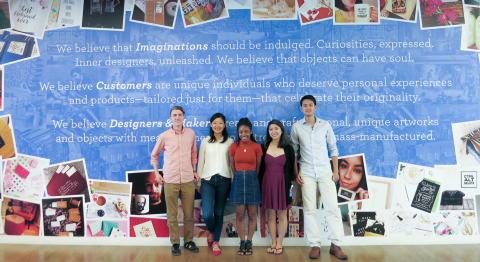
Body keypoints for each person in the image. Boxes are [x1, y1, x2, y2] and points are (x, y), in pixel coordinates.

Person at [290, 95, 348, 260]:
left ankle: (335, 245)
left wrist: (335, 171)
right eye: (304, 106)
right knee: (310, 210)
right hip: (306, 173)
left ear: (315, 107)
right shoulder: (296, 127)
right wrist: (296, 173)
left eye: (310, 105)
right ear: (301, 109)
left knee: (332, 209)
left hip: (325, 173)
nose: (307, 108)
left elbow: (333, 149)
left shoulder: (325, 125)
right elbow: (294, 152)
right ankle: (314, 245)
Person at [151, 106, 200, 256]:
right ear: (170, 118)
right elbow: (154, 155)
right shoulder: (164, 136)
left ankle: (189, 241)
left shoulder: (191, 133)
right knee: (172, 214)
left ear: (184, 117)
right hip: (170, 180)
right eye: (174, 115)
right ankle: (175, 243)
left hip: (187, 179)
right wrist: (157, 173)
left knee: (189, 214)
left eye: (179, 115)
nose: (177, 117)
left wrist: (194, 170)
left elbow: (194, 153)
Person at [197, 113, 233, 256]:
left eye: (220, 123)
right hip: (207, 180)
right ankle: (211, 231)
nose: (217, 125)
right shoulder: (205, 142)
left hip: (224, 180)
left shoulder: (230, 142)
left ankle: (216, 242)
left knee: (219, 212)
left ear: (224, 125)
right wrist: (199, 181)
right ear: (211, 125)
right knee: (207, 213)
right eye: (214, 123)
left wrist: (232, 180)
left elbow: (231, 164)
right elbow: (201, 162)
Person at [259, 120, 297, 255]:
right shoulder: (263, 147)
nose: (273, 131)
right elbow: (259, 168)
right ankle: (273, 242)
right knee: (271, 215)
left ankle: (280, 243)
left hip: (283, 183)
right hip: (267, 183)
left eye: (276, 129)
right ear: (268, 132)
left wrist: (295, 178)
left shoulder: (288, 148)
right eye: (270, 129)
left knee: (282, 215)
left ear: (281, 130)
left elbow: (292, 167)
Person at [229, 118, 262, 256]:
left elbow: (258, 167)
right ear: (238, 132)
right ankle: (242, 242)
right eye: (241, 131)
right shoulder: (233, 146)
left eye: (246, 131)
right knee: (240, 214)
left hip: (252, 180)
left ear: (251, 131)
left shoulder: (256, 146)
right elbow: (232, 166)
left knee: (253, 214)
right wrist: (239, 176)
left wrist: (250, 176)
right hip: (237, 180)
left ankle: (249, 241)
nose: (244, 134)